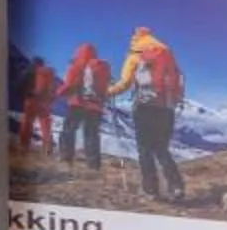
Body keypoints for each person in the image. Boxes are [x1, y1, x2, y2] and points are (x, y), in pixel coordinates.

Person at [110, 25, 187, 202]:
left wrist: (108, 91)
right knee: (161, 149)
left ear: (136, 39)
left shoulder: (134, 56)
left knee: (145, 150)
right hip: (166, 108)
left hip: (144, 108)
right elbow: (178, 80)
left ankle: (151, 191)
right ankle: (176, 187)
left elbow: (125, 84)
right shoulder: (167, 56)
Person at [58, 41, 109, 169]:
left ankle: (66, 157)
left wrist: (58, 93)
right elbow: (105, 88)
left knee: (68, 130)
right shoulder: (101, 67)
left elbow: (69, 85)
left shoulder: (76, 65)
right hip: (95, 106)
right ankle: (93, 164)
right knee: (91, 134)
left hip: (77, 103)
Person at [15, 56, 57, 153]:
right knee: (45, 125)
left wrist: (23, 95)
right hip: (44, 103)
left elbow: (20, 84)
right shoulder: (49, 74)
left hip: (31, 100)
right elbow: (54, 90)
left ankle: (24, 145)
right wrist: (50, 101)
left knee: (27, 123)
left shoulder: (29, 71)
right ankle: (48, 147)